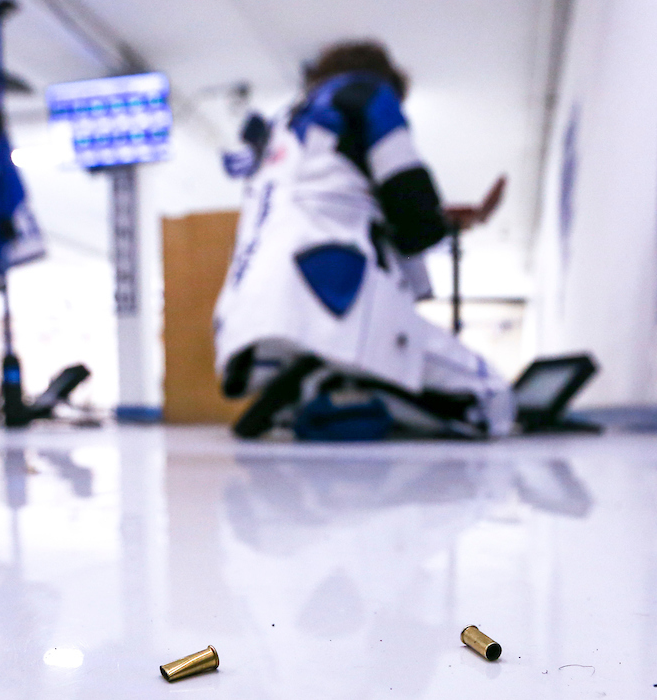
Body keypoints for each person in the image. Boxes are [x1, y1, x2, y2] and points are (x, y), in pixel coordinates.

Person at [214, 40, 512, 440]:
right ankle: (332, 380)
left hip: (243, 325)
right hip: (330, 302)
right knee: (494, 399)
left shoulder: (279, 128)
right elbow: (415, 220)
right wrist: (442, 222)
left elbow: (330, 202)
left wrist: (434, 218)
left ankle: (310, 390)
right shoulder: (368, 94)